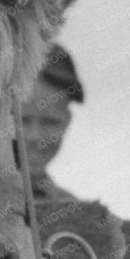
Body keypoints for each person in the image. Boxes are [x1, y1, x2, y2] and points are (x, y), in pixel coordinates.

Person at [22, 44, 83, 202]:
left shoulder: (74, 213)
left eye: (51, 122)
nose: (35, 136)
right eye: (22, 120)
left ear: (67, 121)